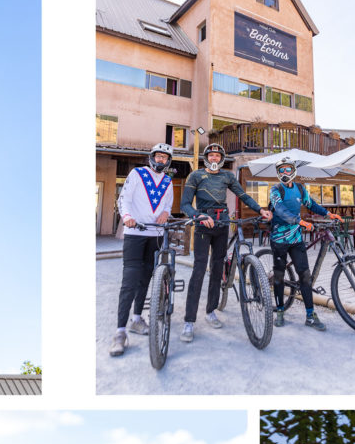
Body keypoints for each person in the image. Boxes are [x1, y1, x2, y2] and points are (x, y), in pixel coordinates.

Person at [179, 144, 272, 343]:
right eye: (211, 155)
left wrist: (259, 209)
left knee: (217, 269)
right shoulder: (195, 176)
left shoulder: (228, 176)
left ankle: (211, 311)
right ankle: (189, 321)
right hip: (203, 226)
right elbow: (185, 204)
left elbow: (243, 195)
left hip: (222, 226)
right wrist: (198, 215)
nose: (214, 159)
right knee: (198, 270)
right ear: (207, 158)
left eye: (217, 156)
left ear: (221, 159)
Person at [109, 142, 175, 357]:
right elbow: (124, 199)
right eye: (158, 156)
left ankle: (137, 319)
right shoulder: (137, 174)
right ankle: (120, 332)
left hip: (155, 235)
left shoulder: (168, 181)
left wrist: (166, 213)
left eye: (164, 158)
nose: (160, 160)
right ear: (151, 157)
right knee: (129, 281)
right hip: (135, 234)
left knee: (146, 279)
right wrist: (127, 217)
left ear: (168, 161)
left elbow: (167, 204)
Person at [268, 157, 342, 331]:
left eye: (288, 169)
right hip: (279, 240)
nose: (285, 173)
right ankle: (279, 310)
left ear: (293, 170)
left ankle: (310, 315)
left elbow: (311, 204)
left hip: (296, 240)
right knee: (278, 276)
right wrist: (298, 221)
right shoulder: (275, 189)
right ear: (278, 173)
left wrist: (328, 214)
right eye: (281, 170)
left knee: (305, 276)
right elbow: (279, 209)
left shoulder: (300, 189)